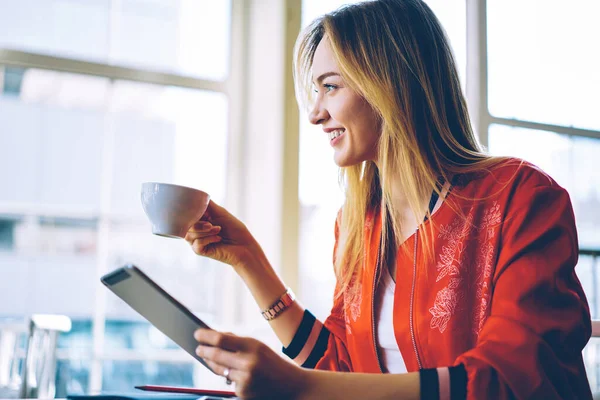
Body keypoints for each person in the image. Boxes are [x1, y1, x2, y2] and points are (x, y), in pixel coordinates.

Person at [185, 0, 593, 398]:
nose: (314, 113)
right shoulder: (358, 224)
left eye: (330, 87)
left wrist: (301, 387)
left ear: (390, 84)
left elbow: (510, 379)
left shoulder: (521, 197)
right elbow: (341, 368)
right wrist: (249, 260)